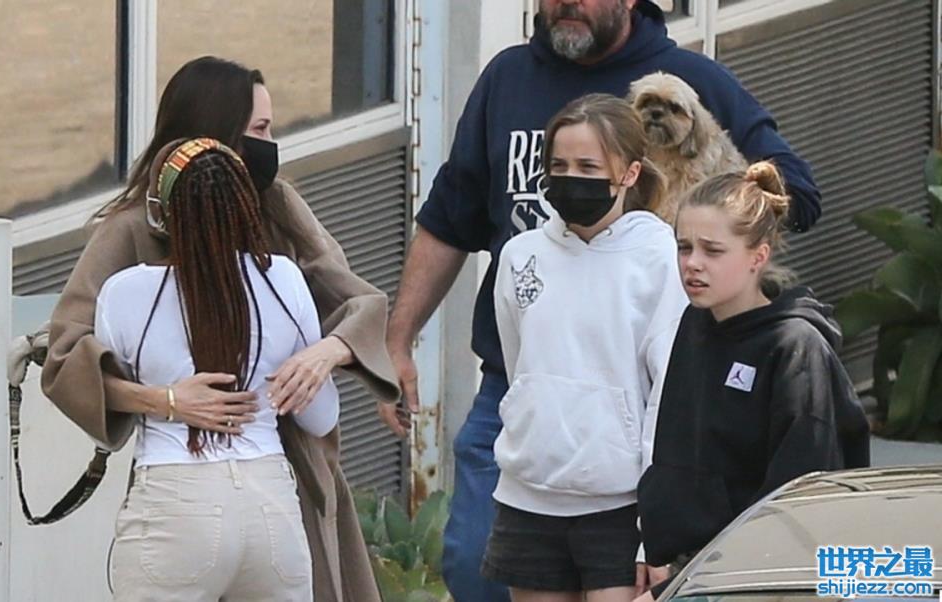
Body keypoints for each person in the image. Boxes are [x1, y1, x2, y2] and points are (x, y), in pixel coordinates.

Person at [381, 1, 820, 600]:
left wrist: (712, 220)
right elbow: (448, 218)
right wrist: (398, 338)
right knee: (473, 571)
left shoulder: (691, 82)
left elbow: (794, 193)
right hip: (518, 395)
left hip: (634, 406)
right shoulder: (506, 79)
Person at [41, 56, 397, 602]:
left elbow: (357, 300)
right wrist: (164, 400)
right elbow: (66, 356)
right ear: (215, 134)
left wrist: (326, 352)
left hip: (290, 470)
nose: (270, 145)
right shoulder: (131, 230)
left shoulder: (277, 207)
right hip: (196, 479)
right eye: (260, 129)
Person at [98, 137, 338, 601]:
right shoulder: (285, 280)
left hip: (173, 505)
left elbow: (104, 411)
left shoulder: (124, 293)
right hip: (271, 507)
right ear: (246, 205)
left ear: (162, 213)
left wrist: (167, 400)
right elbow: (321, 418)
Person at [482, 94, 687, 602]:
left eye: (588, 167)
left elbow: (670, 398)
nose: (571, 178)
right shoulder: (519, 255)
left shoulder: (662, 258)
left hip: (619, 509)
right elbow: (519, 363)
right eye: (559, 166)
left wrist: (655, 531)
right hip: (527, 500)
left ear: (630, 173)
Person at [635, 162, 871, 601]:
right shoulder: (694, 323)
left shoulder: (795, 346)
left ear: (758, 257)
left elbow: (800, 491)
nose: (692, 264)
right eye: (684, 247)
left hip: (761, 577)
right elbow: (677, 450)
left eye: (712, 250)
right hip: (692, 568)